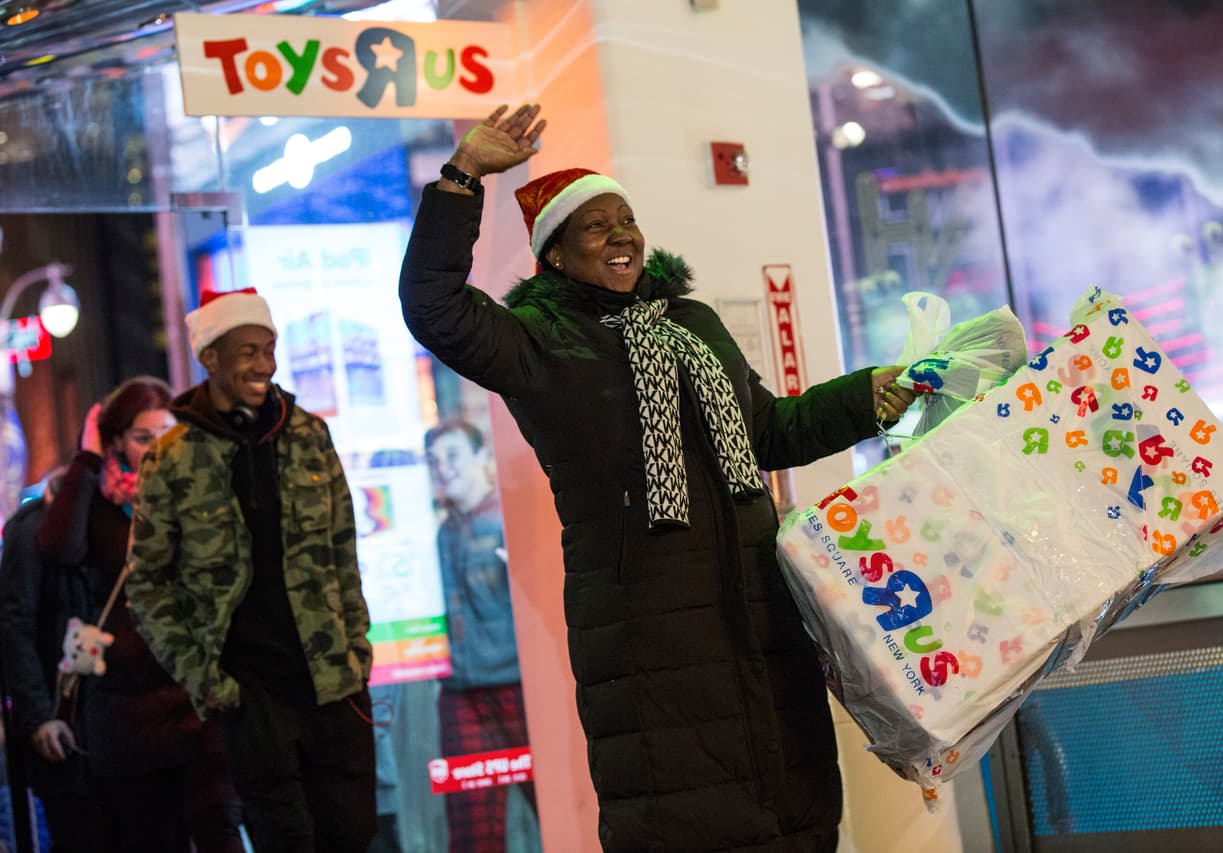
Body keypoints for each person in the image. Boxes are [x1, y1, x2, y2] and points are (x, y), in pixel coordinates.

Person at [398, 103, 918, 852]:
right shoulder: (539, 343)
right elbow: (435, 307)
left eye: (628, 218)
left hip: (760, 622)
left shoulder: (692, 323)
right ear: (554, 256)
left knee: (796, 817)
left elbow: (766, 431)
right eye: (596, 225)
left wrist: (868, 395)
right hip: (647, 638)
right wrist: (463, 176)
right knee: (686, 822)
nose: (621, 235)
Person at [125, 288, 377, 853]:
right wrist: (204, 679)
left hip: (334, 683)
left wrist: (357, 651)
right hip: (249, 695)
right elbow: (147, 584)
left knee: (355, 833)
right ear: (210, 358)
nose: (264, 364)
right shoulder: (172, 457)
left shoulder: (310, 435)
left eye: (269, 349)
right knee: (284, 839)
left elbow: (344, 552)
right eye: (248, 352)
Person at [34, 379, 244, 852]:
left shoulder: (204, 491)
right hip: (130, 715)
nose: (156, 450)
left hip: (200, 700)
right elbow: (56, 548)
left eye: (167, 434)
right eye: (142, 437)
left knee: (219, 833)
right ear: (117, 443)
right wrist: (87, 460)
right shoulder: (99, 503)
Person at [424, 420, 537, 852]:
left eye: (452, 456)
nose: (442, 468)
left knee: (556, 805)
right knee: (472, 831)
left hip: (517, 689)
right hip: (461, 694)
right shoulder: (442, 532)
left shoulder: (509, 521)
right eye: (433, 460)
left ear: (481, 459)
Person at [0, 465, 103, 852]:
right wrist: (40, 716)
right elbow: (16, 627)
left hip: (123, 725)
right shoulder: (31, 528)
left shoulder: (123, 518)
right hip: (67, 719)